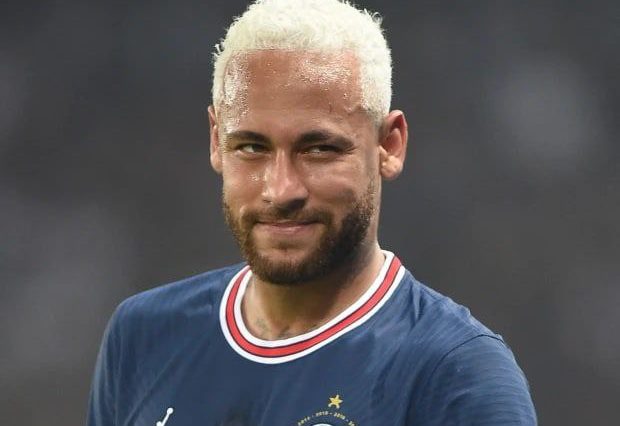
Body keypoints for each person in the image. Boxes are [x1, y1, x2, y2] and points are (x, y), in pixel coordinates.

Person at [87, 0, 536, 424]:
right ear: (215, 141)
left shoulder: (457, 375)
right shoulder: (142, 336)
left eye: (319, 149)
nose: (280, 190)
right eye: (251, 147)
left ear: (389, 145)